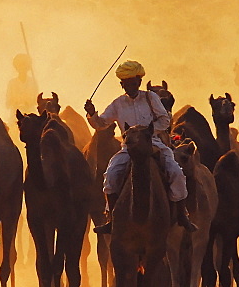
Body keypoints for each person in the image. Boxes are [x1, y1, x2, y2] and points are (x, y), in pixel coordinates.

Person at [83, 59, 195, 234]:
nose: (130, 87)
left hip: (153, 143)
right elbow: (101, 123)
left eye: (133, 83)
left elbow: (164, 120)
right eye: (126, 84)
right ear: (122, 84)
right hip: (129, 148)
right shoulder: (118, 103)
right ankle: (111, 218)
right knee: (110, 176)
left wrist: (147, 132)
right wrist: (91, 113)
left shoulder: (151, 98)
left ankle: (182, 215)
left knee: (176, 172)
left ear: (139, 82)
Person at [5, 53, 39, 119]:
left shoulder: (33, 82)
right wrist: (16, 102)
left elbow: (36, 101)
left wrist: (29, 102)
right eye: (20, 66)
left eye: (24, 66)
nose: (22, 68)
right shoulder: (12, 83)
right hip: (16, 115)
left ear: (28, 67)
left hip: (31, 115)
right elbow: (8, 103)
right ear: (16, 68)